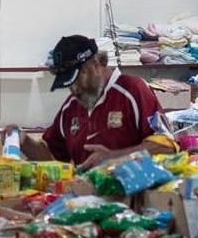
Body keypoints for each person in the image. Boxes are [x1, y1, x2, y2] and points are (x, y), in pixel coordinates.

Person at [27, 35, 162, 169]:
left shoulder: (133, 90)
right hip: (84, 189)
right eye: (69, 84)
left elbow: (166, 146)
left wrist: (115, 157)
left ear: (97, 65)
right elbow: (52, 156)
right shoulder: (71, 106)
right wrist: (24, 142)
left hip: (132, 188)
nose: (75, 89)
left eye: (78, 79)